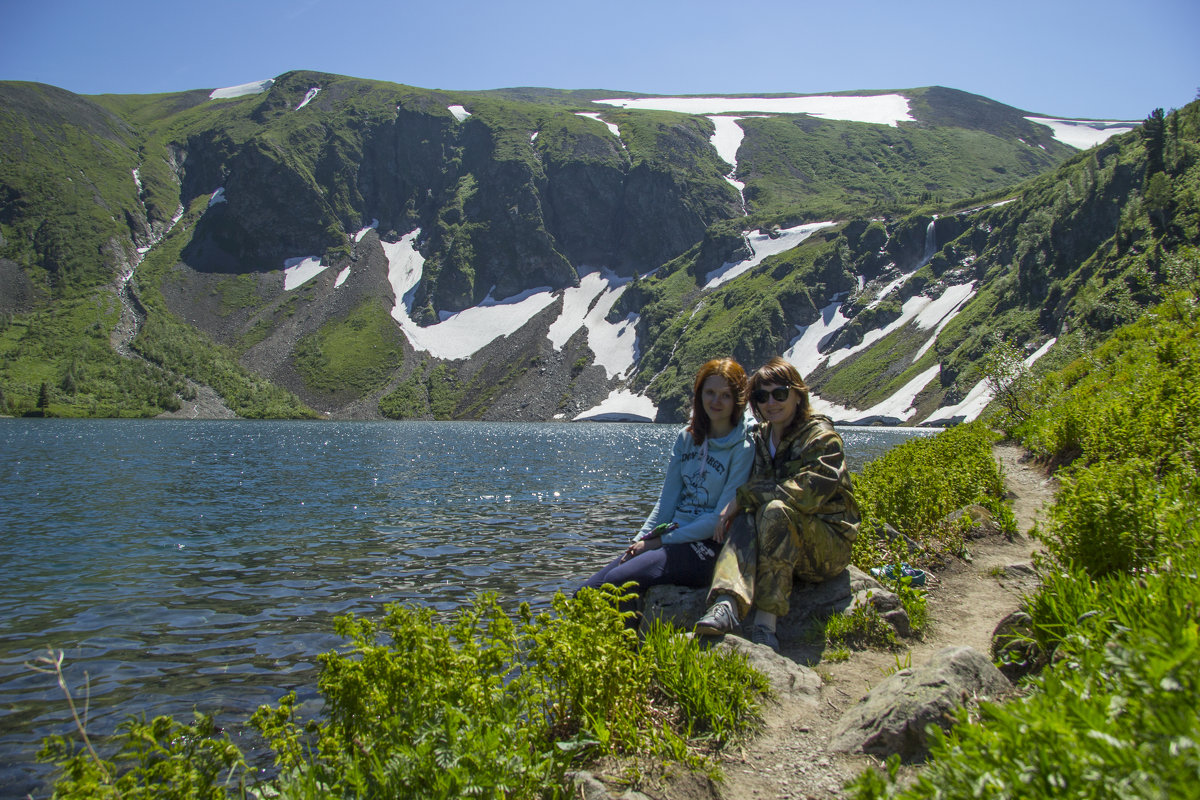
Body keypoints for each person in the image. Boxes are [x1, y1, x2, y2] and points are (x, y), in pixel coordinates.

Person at [694, 356, 859, 652]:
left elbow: (807, 494)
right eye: (761, 396)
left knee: (772, 510)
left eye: (780, 393)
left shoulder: (822, 438)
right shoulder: (761, 437)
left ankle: (765, 624)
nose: (771, 402)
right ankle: (726, 602)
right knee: (747, 514)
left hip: (827, 547)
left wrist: (745, 496)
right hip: (780, 546)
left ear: (798, 395)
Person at [579, 358, 754, 613]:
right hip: (672, 536)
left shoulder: (743, 447)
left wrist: (658, 543)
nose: (716, 401)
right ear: (699, 394)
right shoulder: (686, 438)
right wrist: (641, 540)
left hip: (708, 545)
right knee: (583, 594)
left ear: (737, 399)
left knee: (617, 582)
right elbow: (666, 502)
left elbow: (718, 518)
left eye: (725, 395)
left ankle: (628, 652)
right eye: (710, 393)